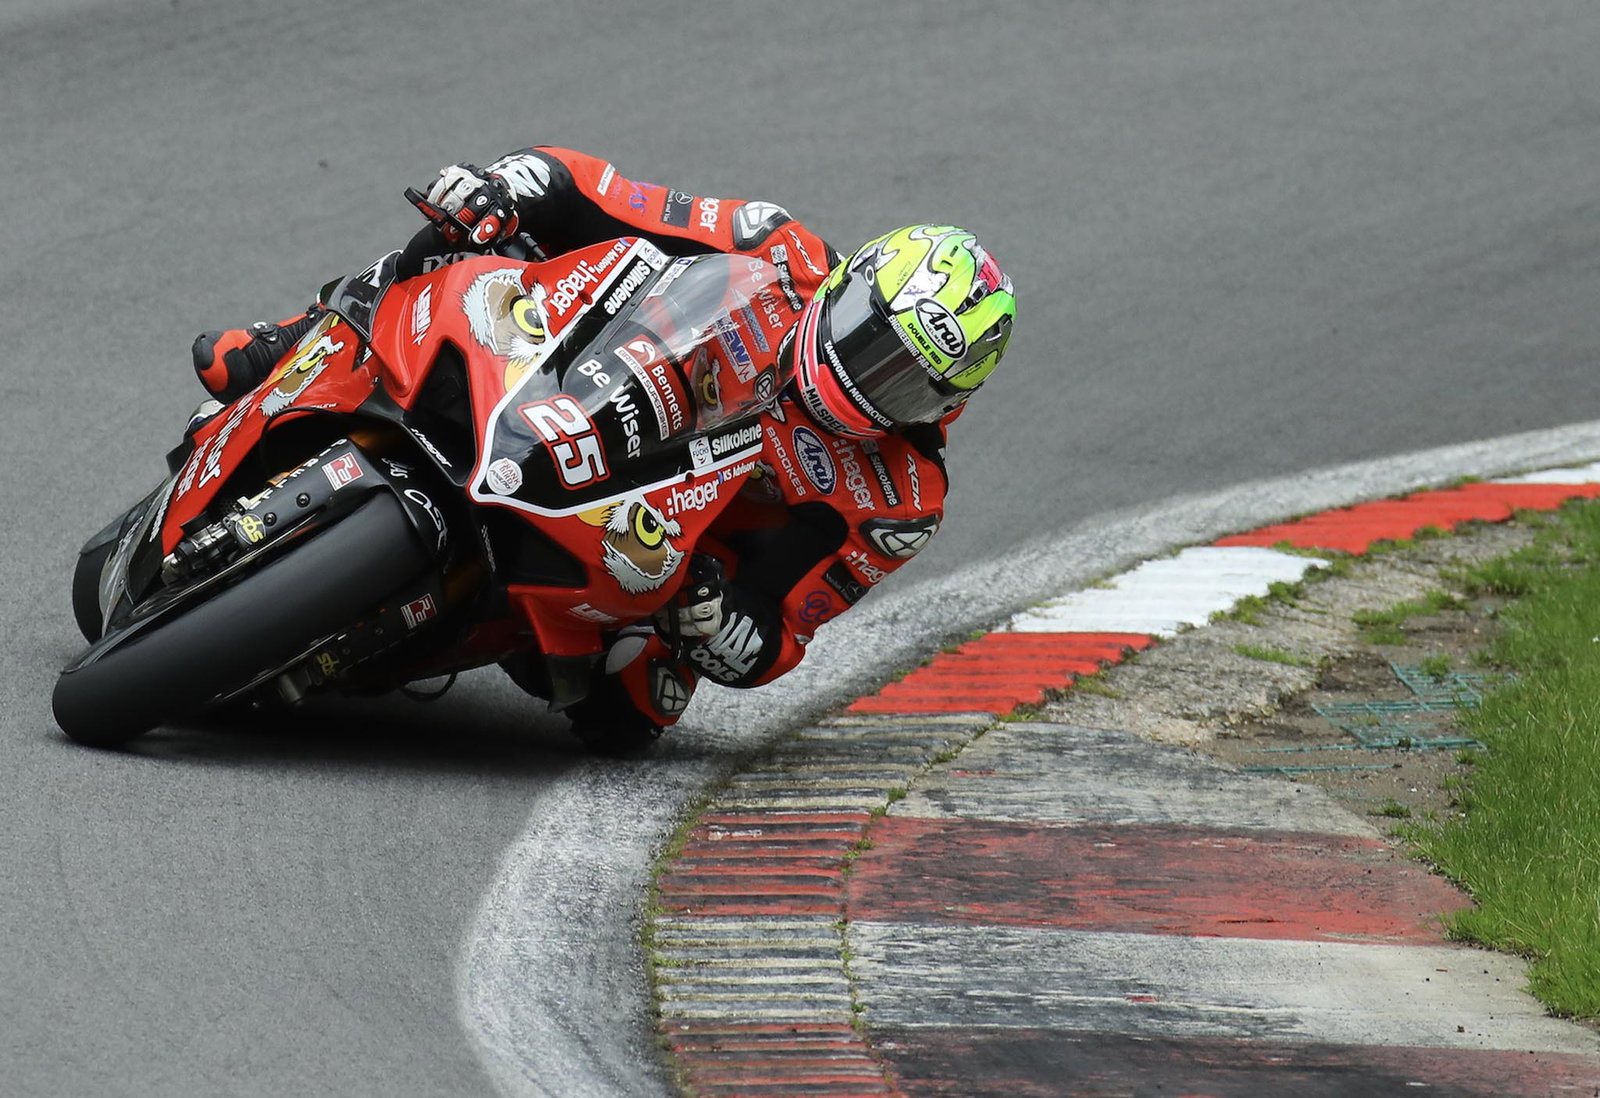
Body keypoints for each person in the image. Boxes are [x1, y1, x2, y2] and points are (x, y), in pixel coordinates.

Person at [190, 147, 1017, 751]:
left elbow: (781, 633)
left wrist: (716, 622)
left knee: (639, 711)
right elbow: (593, 191)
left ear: (950, 403)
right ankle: (296, 337)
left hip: (648, 551)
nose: (865, 377)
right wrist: (502, 190)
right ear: (848, 283)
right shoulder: (774, 244)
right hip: (573, 381)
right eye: (868, 337)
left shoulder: (901, 500)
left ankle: (453, 622)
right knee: (471, 239)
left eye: (906, 382)